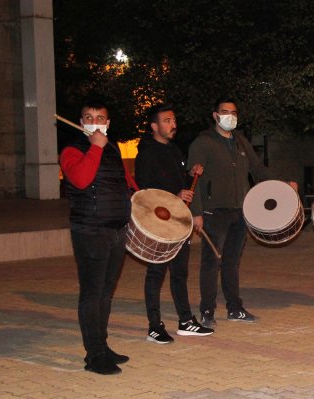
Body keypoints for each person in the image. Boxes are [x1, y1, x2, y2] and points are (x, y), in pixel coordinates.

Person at [187, 98, 297, 328]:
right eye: (225, 112)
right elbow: (193, 179)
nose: (230, 116)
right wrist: (196, 212)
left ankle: (234, 308)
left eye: (234, 112)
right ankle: (207, 310)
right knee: (211, 262)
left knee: (231, 263)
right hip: (213, 211)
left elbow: (258, 170)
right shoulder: (203, 143)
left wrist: (282, 185)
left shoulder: (240, 142)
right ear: (215, 116)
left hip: (240, 211)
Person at [59, 99, 136, 375]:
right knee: (92, 294)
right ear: (81, 124)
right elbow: (80, 179)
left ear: (108, 123)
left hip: (116, 229)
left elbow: (125, 182)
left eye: (100, 117)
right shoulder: (72, 149)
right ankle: (94, 356)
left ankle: (102, 346)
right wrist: (95, 147)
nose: (95, 122)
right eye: (89, 117)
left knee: (106, 293)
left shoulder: (112, 148)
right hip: (90, 230)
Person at [134, 103, 214, 344]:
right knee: (156, 273)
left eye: (173, 120)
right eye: (167, 121)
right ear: (154, 126)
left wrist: (192, 175)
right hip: (158, 224)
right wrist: (174, 195)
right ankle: (154, 326)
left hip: (178, 221)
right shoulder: (146, 154)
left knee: (180, 272)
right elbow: (146, 191)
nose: (173, 125)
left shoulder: (174, 150)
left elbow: (178, 182)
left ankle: (186, 321)